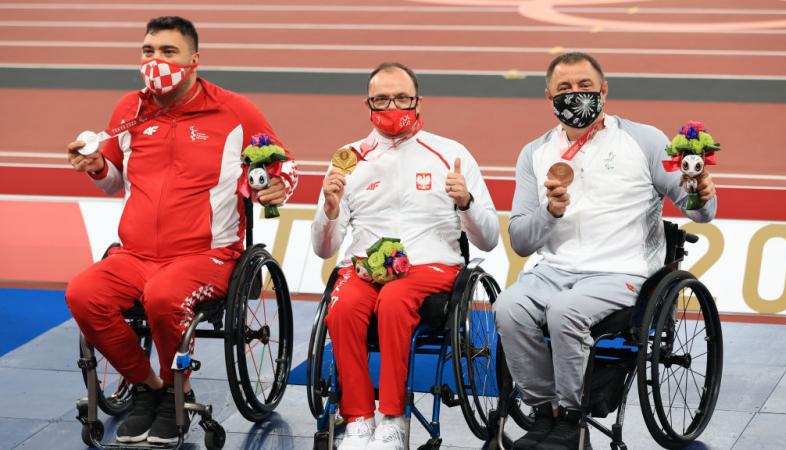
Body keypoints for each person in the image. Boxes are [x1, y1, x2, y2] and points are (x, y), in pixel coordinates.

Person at [64, 16, 297, 445]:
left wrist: (278, 186)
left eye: (168, 52)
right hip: (133, 255)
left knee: (164, 296)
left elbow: (282, 167)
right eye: (148, 51)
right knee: (82, 294)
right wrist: (98, 167)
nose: (156, 60)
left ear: (193, 60)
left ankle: (177, 390)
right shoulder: (128, 111)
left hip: (206, 256)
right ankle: (150, 387)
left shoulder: (235, 111)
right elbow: (115, 179)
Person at [493, 52, 717, 450]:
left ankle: (571, 416)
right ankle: (545, 413)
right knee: (508, 307)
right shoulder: (535, 153)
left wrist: (700, 193)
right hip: (555, 271)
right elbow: (522, 241)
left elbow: (697, 211)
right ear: (548, 95)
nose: (575, 95)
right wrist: (549, 213)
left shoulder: (643, 140)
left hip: (622, 272)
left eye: (584, 86)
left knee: (566, 311)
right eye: (564, 89)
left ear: (604, 90)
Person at [311, 62, 499, 450]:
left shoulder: (450, 153)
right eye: (382, 98)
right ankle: (359, 419)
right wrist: (330, 208)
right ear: (368, 103)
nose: (392, 105)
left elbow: (490, 238)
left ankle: (392, 418)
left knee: (395, 300)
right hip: (362, 269)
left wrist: (465, 202)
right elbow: (324, 249)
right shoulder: (348, 158)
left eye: (401, 97)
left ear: (417, 101)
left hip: (431, 266)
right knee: (342, 308)